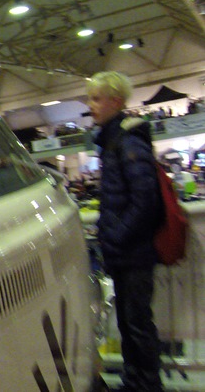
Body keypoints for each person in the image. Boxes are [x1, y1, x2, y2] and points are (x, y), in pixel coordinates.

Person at [87, 72, 163, 392]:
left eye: (96, 98)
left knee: (137, 324)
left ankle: (147, 385)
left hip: (133, 252)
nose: (90, 106)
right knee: (130, 324)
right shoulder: (114, 141)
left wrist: (116, 236)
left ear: (115, 101)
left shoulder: (127, 142)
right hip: (125, 252)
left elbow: (146, 200)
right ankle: (136, 382)